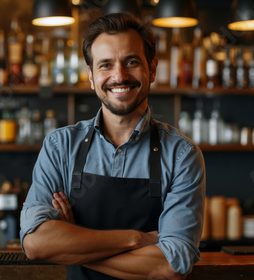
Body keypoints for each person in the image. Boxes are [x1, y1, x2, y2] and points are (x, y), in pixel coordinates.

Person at [20, 13, 205, 280]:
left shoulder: (182, 155)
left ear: (152, 70)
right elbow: (37, 244)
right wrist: (134, 239)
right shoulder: (60, 146)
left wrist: (73, 245)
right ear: (91, 77)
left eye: (131, 62)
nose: (119, 75)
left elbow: (171, 267)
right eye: (105, 65)